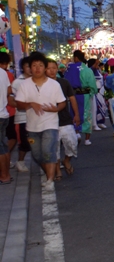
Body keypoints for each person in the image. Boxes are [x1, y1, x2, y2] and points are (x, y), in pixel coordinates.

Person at [14, 52, 66, 192]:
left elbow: (62, 102)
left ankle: (49, 180)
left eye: (40, 65)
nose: (37, 68)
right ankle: (51, 172)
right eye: (34, 65)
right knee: (37, 154)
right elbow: (18, 104)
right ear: (30, 68)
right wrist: (30, 104)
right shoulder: (25, 85)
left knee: (48, 151)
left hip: (50, 124)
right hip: (32, 126)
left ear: (45, 67)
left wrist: (55, 109)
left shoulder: (54, 84)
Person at [45, 59, 79, 179]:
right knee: (54, 148)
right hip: (49, 121)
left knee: (72, 142)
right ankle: (58, 170)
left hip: (65, 119)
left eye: (54, 68)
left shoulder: (64, 82)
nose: (52, 71)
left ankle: (67, 160)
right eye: (48, 68)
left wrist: (77, 114)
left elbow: (72, 98)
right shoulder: (42, 85)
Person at [65, 50, 97, 145]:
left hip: (73, 95)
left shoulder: (70, 68)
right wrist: (91, 93)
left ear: (76, 58)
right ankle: (87, 139)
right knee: (87, 114)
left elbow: (66, 82)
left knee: (74, 113)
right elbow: (92, 85)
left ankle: (77, 133)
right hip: (85, 94)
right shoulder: (87, 70)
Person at [11, 57, 32, 172]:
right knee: (24, 141)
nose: (30, 69)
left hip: (36, 117)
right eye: (27, 66)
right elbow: (12, 100)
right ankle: (20, 162)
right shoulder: (17, 82)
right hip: (22, 117)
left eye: (32, 66)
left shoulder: (37, 80)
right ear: (22, 68)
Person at [0, 52, 16, 170]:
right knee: (6, 142)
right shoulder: (6, 74)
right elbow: (9, 91)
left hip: (5, 111)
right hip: (7, 112)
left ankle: (4, 172)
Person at [87, 58, 108, 131]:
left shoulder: (97, 70)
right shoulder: (90, 70)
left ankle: (100, 122)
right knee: (95, 109)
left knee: (102, 108)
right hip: (95, 93)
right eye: (96, 63)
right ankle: (94, 124)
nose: (98, 64)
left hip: (101, 92)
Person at [0, 57, 11, 184]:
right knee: (3, 145)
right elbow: (9, 90)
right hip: (3, 113)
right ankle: (6, 173)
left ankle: (4, 175)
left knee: (1, 147)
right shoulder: (3, 72)